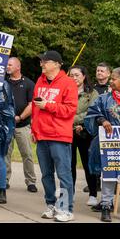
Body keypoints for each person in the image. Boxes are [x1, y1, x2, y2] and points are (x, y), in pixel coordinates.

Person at [84, 67, 120, 223]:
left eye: (114, 78)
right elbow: (94, 113)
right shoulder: (104, 98)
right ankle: (106, 207)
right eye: (111, 78)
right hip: (110, 144)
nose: (111, 81)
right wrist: (103, 120)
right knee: (108, 175)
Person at [32, 50, 78, 222]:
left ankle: (66, 209)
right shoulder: (40, 81)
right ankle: (51, 205)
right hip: (42, 135)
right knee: (46, 174)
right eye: (41, 61)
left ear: (57, 64)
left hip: (59, 135)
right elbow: (35, 107)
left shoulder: (68, 83)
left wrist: (48, 105)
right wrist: (34, 130)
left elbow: (70, 110)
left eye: (45, 61)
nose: (42, 64)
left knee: (64, 174)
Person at [5, 57, 38, 193]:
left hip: (22, 125)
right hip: (6, 125)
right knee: (5, 154)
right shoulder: (3, 82)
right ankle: (4, 180)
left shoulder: (29, 84)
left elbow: (32, 104)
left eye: (10, 65)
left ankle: (31, 181)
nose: (7, 67)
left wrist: (19, 117)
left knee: (27, 154)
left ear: (18, 67)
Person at [68, 65, 99, 206]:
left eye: (77, 75)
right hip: (67, 132)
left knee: (88, 164)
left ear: (84, 76)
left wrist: (73, 119)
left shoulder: (92, 93)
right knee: (69, 164)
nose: (74, 78)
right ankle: (70, 192)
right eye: (71, 75)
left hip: (85, 132)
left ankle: (93, 193)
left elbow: (92, 112)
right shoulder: (65, 91)